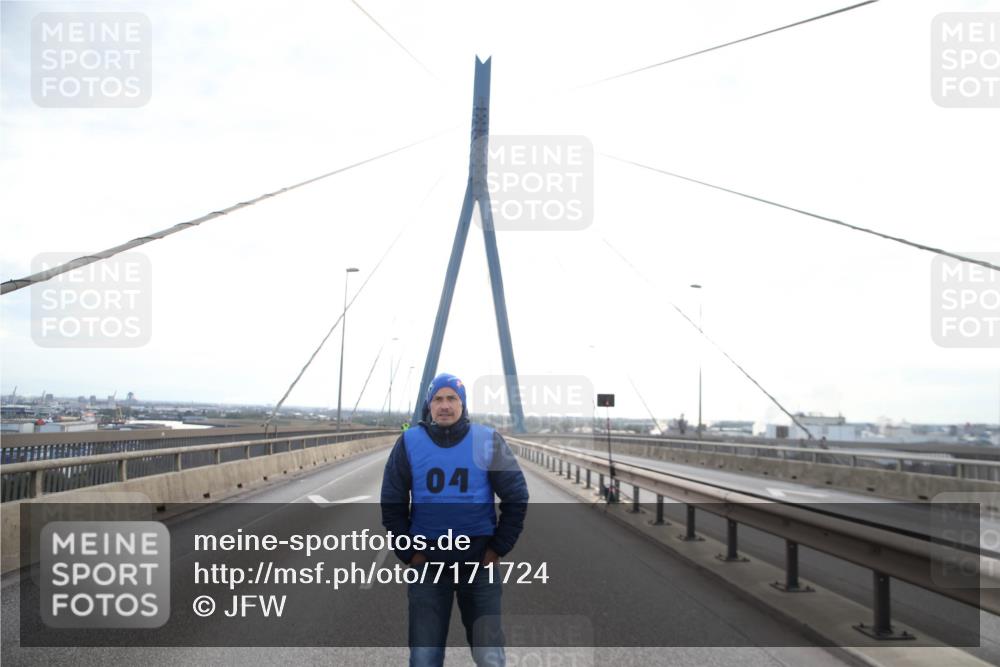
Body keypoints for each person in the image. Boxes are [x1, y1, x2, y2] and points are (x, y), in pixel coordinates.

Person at [381, 372, 529, 667]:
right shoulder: (409, 442)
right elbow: (392, 502)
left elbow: (516, 496)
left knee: (490, 657)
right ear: (429, 405)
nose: (445, 405)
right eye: (438, 399)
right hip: (427, 568)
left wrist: (498, 547)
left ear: (463, 404)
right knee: (424, 657)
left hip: (479, 567)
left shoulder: (486, 440)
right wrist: (409, 553)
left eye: (452, 398)